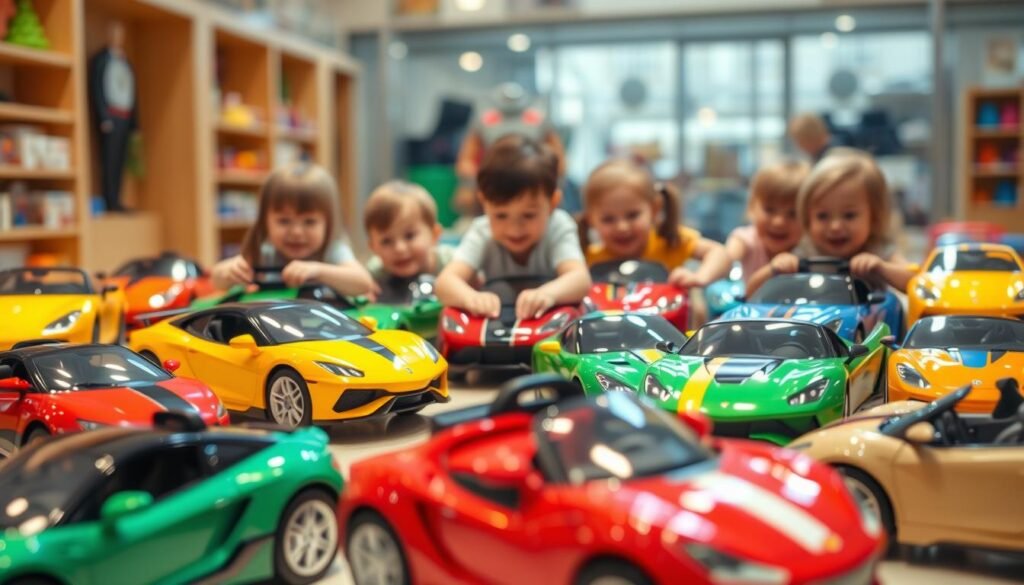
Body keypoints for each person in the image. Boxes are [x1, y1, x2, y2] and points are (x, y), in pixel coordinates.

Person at [436, 134, 591, 320]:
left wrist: (548, 293)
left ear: (552, 203)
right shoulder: (481, 231)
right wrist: (472, 298)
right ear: (484, 202)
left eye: (528, 215)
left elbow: (580, 279)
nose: (514, 229)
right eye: (501, 216)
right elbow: (445, 282)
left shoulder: (558, 226)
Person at [747, 149, 916, 294]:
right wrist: (773, 269)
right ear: (807, 217)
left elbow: (917, 285)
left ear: (874, 216)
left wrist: (881, 268)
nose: (835, 227)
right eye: (822, 216)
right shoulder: (806, 252)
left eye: (849, 215)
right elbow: (750, 292)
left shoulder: (879, 250)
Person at [211, 162, 376, 296]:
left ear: (329, 223)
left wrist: (317, 270)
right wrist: (229, 271)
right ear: (264, 222)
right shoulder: (266, 251)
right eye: (284, 221)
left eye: (309, 222)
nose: (296, 232)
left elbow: (363, 283)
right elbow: (216, 280)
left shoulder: (332, 250)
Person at [578, 159, 731, 289]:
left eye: (632, 215)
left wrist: (699, 277)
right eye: (608, 219)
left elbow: (719, 253)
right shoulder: (587, 260)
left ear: (654, 209)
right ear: (591, 219)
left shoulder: (670, 242)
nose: (622, 227)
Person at [725, 160, 809, 283]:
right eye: (769, 210)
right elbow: (726, 259)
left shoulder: (807, 247)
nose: (779, 222)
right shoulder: (746, 240)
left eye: (792, 214)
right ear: (752, 207)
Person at [364, 180, 456, 280]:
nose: (399, 249)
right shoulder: (374, 275)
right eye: (386, 241)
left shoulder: (455, 263)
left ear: (434, 234)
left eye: (409, 236)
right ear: (373, 247)